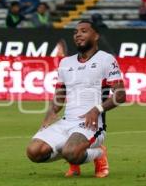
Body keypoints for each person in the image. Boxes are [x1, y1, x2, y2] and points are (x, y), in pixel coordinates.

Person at [26, 20, 126, 178]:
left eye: (84, 31)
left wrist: (96, 109)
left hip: (91, 124)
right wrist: (51, 113)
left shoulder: (106, 60)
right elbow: (60, 95)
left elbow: (120, 95)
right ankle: (73, 153)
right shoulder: (66, 62)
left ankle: (99, 153)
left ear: (96, 35)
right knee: (33, 152)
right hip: (67, 121)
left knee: (71, 152)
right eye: (75, 32)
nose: (78, 34)